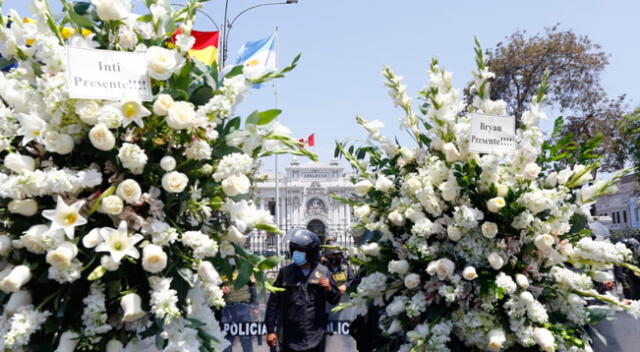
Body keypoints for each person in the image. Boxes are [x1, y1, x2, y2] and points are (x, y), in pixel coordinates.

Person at [265, 228, 341, 352]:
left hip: (316, 334)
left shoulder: (323, 271)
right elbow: (273, 304)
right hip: (289, 335)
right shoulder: (285, 272)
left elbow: (335, 299)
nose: (297, 253)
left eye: (301, 251)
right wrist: (270, 331)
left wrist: (329, 288)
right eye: (295, 250)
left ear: (311, 253)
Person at [220, 270, 259, 352]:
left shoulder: (244, 269)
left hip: (244, 309)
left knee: (246, 340)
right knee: (226, 340)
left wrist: (255, 306)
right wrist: (220, 289)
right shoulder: (219, 270)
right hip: (227, 310)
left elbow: (253, 287)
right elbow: (212, 287)